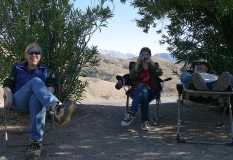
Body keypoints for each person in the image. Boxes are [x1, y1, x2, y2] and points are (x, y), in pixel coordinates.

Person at [3, 42, 75, 159]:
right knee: (36, 81)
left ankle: (35, 146)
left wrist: (43, 95)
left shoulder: (46, 70)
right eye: (31, 52)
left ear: (40, 56)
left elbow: (51, 86)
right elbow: (7, 84)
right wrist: (8, 95)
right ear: (26, 55)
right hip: (19, 100)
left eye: (37, 53)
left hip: (35, 102)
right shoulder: (17, 68)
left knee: (36, 98)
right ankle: (57, 109)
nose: (34, 55)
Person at [116, 47, 163, 131]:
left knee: (143, 89)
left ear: (150, 56)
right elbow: (132, 76)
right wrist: (138, 64)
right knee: (143, 89)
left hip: (151, 91)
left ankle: (131, 113)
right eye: (143, 54)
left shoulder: (154, 65)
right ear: (140, 55)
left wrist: (151, 64)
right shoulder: (135, 65)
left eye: (147, 54)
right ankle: (144, 123)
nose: (145, 56)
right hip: (137, 91)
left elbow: (160, 73)